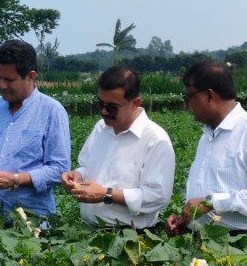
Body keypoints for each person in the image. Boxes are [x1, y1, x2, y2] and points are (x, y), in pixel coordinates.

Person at [164, 60, 247, 238]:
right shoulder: (208, 135)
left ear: (210, 96)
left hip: (242, 244)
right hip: (205, 240)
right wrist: (189, 222)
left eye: (189, 97)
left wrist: (212, 203)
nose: (186, 104)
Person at [0, 39, 70, 220]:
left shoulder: (51, 111)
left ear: (30, 76)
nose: (1, 85)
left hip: (32, 221)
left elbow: (59, 169)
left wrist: (17, 179)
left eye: (9, 80)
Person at [60, 66, 175, 234]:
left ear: (135, 103)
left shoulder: (154, 140)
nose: (104, 112)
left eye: (112, 107)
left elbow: (158, 197)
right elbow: (86, 166)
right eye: (100, 104)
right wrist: (78, 175)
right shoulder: (100, 128)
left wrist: (106, 195)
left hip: (131, 237)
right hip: (88, 232)